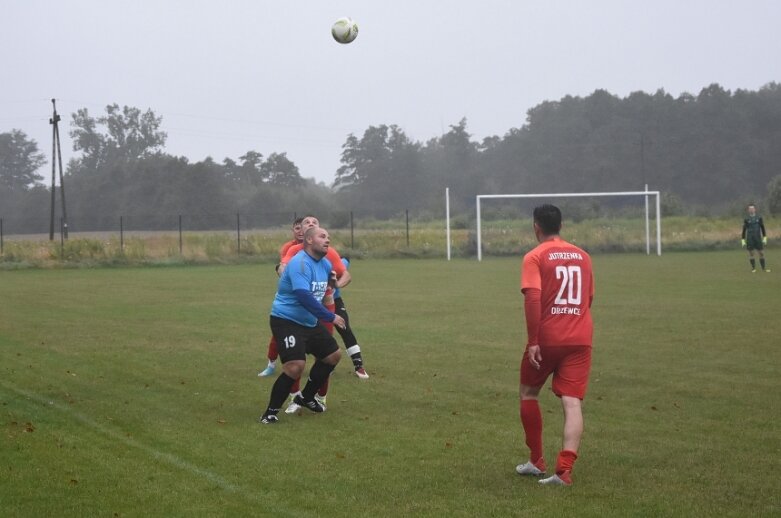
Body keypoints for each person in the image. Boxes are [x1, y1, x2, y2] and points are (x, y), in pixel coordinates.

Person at [515, 204, 595, 486]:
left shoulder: (535, 256)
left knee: (528, 392)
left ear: (536, 226)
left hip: (549, 337)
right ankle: (564, 470)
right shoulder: (583, 256)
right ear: (561, 225)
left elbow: (533, 298)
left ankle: (536, 460)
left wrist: (534, 340)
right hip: (581, 337)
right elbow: (589, 299)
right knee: (572, 403)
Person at [259, 226, 346, 424]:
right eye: (322, 236)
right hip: (286, 320)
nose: (327, 240)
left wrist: (332, 284)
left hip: (308, 321)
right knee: (295, 366)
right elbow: (304, 296)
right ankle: (270, 413)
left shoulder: (324, 265)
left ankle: (306, 397)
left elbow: (323, 293)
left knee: (333, 355)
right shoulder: (300, 263)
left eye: (328, 237)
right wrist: (330, 317)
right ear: (308, 240)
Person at [258, 216, 305, 377]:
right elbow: (283, 270)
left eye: (302, 227)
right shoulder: (288, 248)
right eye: (296, 228)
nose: (300, 231)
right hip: (291, 298)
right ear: (293, 230)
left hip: (312, 297)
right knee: (278, 334)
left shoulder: (317, 245)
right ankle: (271, 364)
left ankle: (326, 362)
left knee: (320, 331)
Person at [333, 256, 369, 379]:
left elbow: (346, 262)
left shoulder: (333, 260)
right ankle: (326, 365)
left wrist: (336, 284)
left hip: (335, 301)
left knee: (344, 328)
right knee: (321, 334)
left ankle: (359, 365)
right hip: (316, 303)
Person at [741, 204, 770, 273]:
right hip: (750, 238)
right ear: (748, 210)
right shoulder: (746, 219)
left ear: (755, 209)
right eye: (750, 209)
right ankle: (753, 268)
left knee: (761, 253)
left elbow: (762, 228)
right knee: (751, 253)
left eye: (752, 208)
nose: (751, 210)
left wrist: (765, 237)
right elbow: (744, 230)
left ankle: (763, 268)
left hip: (758, 238)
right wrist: (743, 239)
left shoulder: (759, 218)